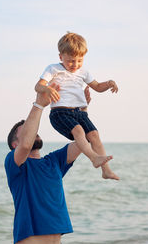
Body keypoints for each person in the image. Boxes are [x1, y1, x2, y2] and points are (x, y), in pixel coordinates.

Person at [4, 84, 83, 244]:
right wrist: (39, 104)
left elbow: (83, 141)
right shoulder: (14, 162)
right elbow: (25, 145)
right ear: (14, 145)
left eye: (33, 129)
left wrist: (80, 112)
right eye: (27, 130)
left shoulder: (54, 161)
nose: (34, 131)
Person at [35, 32, 119, 180]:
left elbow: (97, 86)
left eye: (80, 60)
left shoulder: (83, 72)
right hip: (60, 113)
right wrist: (47, 88)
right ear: (61, 57)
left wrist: (109, 83)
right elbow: (38, 86)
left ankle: (106, 171)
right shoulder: (53, 68)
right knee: (79, 131)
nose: (75, 64)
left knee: (94, 135)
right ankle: (94, 158)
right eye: (71, 61)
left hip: (80, 113)